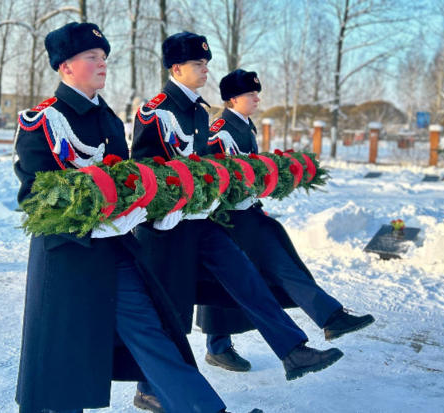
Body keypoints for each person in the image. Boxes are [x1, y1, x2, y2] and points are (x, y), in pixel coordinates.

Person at [13, 22, 260, 413]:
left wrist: (141, 209)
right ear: (64, 67)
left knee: (154, 332)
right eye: (91, 57)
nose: (102, 64)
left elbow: (126, 180)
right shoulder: (42, 121)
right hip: (68, 259)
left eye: (104, 57)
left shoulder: (109, 119)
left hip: (116, 252)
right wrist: (94, 217)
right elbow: (33, 197)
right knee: (63, 366)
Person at [130, 31, 344, 413]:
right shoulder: (156, 112)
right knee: (171, 311)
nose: (205, 70)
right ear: (176, 68)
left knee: (247, 277)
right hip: (165, 231)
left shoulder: (198, 110)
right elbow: (143, 174)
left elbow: (205, 166)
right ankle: (148, 390)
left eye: (206, 64)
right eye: (198, 64)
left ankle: (293, 352)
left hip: (200, 221)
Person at [199, 69, 376, 372]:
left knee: (280, 266)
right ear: (231, 99)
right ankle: (219, 346)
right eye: (250, 94)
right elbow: (213, 177)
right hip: (228, 222)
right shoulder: (220, 131)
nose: (256, 98)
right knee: (229, 284)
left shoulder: (243, 126)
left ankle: (331, 317)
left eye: (257, 93)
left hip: (250, 217)